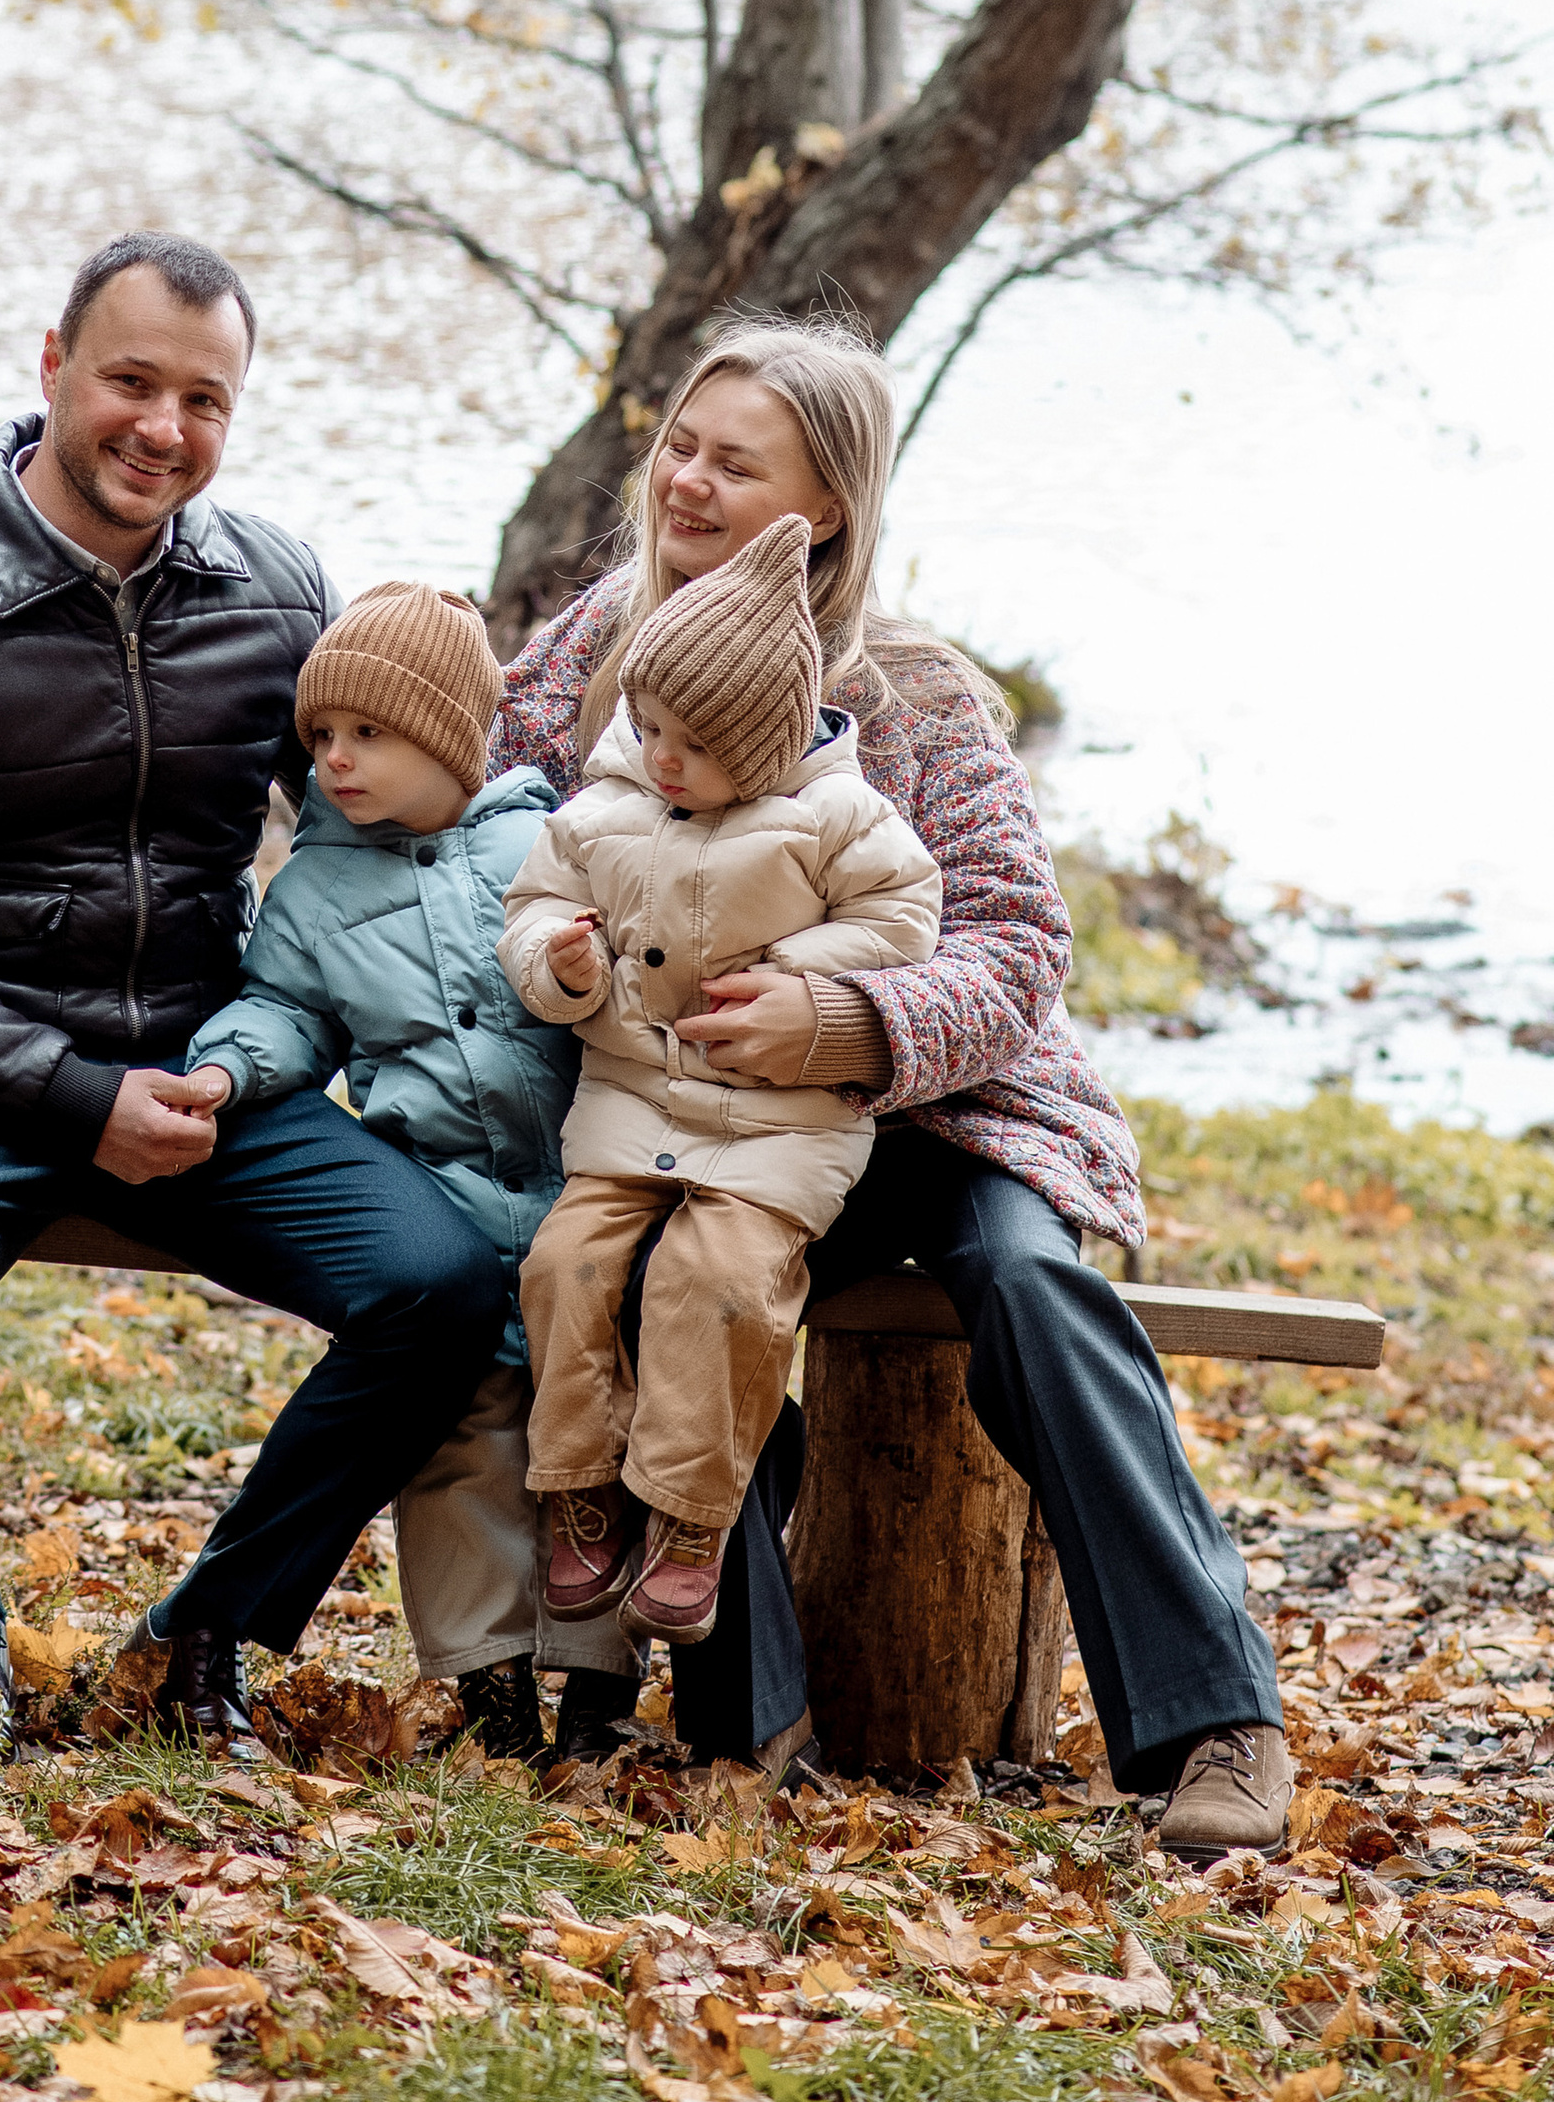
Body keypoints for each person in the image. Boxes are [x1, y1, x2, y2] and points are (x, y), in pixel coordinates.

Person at [489, 312, 1292, 1857]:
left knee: (1028, 1290)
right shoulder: (596, 655)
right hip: (701, 1123)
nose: (689, 483)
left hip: (932, 1117)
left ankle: (1219, 1723)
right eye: (681, 448)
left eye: (740, 465)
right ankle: (753, 1716)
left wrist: (842, 1016)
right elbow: (478, 819)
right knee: (670, 1275)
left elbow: (1019, 948)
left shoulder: (915, 694)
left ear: (830, 505)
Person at [0, 232, 509, 1752]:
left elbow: (398, 808)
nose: (165, 429)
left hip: (205, 1064)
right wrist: (66, 1098)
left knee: (444, 1284)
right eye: (131, 381)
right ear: (50, 368)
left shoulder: (278, 588)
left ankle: (202, 1640)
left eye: (206, 400)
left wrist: (594, 871)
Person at [179, 580, 623, 1769]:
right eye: (319, 738)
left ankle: (596, 1690)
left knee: (595, 1447)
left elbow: (630, 991)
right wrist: (226, 1069)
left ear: (448, 738)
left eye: (367, 735)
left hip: (594, 1208)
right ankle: (490, 1686)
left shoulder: (550, 844)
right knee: (466, 1444)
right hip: (452, 1195)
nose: (333, 762)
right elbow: (284, 1012)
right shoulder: (314, 889)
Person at [501, 513, 939, 1650]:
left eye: (691, 743)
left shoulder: (837, 816)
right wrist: (557, 964)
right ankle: (578, 1484)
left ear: (760, 741)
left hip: (774, 1127)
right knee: (565, 1265)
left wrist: (800, 974)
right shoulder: (602, 807)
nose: (659, 757)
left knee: (721, 1281)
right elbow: (534, 908)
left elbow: (906, 917)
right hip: (631, 1104)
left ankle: (691, 1516)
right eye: (648, 726)